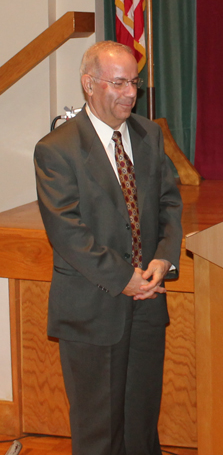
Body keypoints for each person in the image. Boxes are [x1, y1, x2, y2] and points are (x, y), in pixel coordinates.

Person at [33, 41, 183, 455]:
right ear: (89, 84)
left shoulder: (149, 134)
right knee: (99, 434)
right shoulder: (56, 149)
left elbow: (170, 202)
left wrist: (163, 258)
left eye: (134, 82)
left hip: (148, 305)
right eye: (119, 83)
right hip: (92, 310)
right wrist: (125, 278)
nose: (131, 93)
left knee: (141, 429)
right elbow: (67, 232)